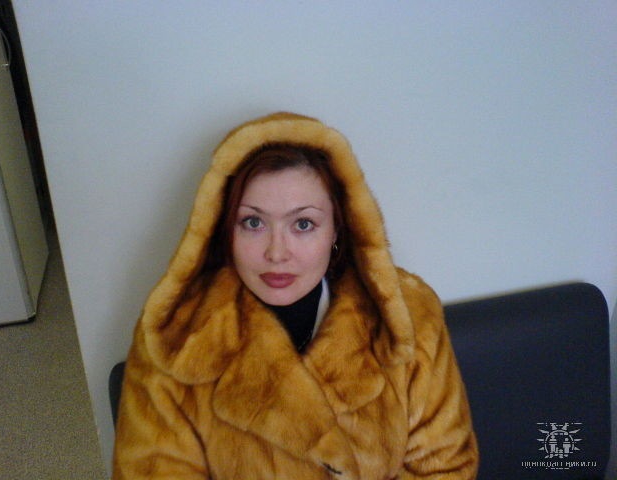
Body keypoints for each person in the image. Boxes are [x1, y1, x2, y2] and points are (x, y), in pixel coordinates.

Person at [112, 112, 478, 479]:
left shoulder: (408, 313)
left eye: (303, 224)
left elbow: (445, 465)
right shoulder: (177, 338)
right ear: (224, 230)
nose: (277, 252)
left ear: (337, 229)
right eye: (253, 222)